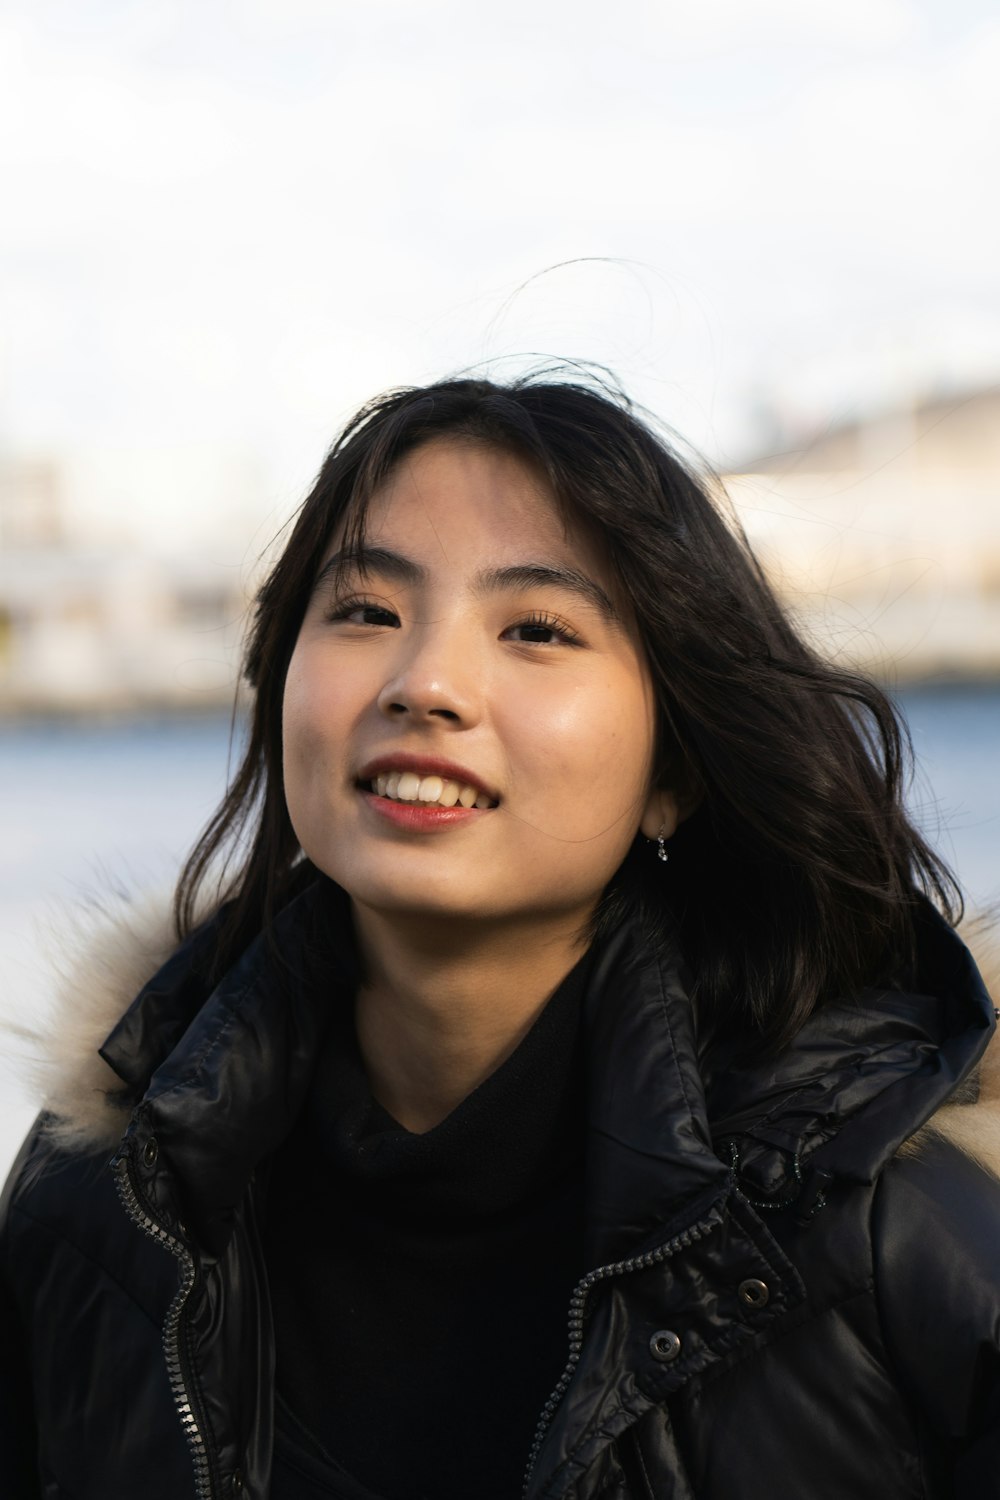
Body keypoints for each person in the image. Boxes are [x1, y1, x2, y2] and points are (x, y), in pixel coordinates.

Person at [1, 372, 998, 1500]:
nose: (426, 683)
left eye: (536, 628)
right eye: (367, 611)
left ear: (673, 773)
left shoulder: (888, 1223)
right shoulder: (106, 1200)